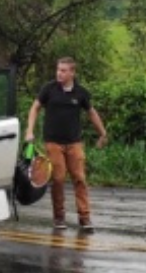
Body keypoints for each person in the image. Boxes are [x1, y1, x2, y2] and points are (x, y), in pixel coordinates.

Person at [24, 57, 109, 232]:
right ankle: (59, 217)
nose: (59, 73)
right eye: (58, 69)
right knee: (58, 179)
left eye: (63, 70)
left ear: (72, 73)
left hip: (74, 143)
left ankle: (85, 218)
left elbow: (91, 113)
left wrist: (102, 133)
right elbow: (35, 108)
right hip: (53, 142)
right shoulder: (49, 89)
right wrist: (29, 130)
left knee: (80, 179)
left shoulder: (81, 93)